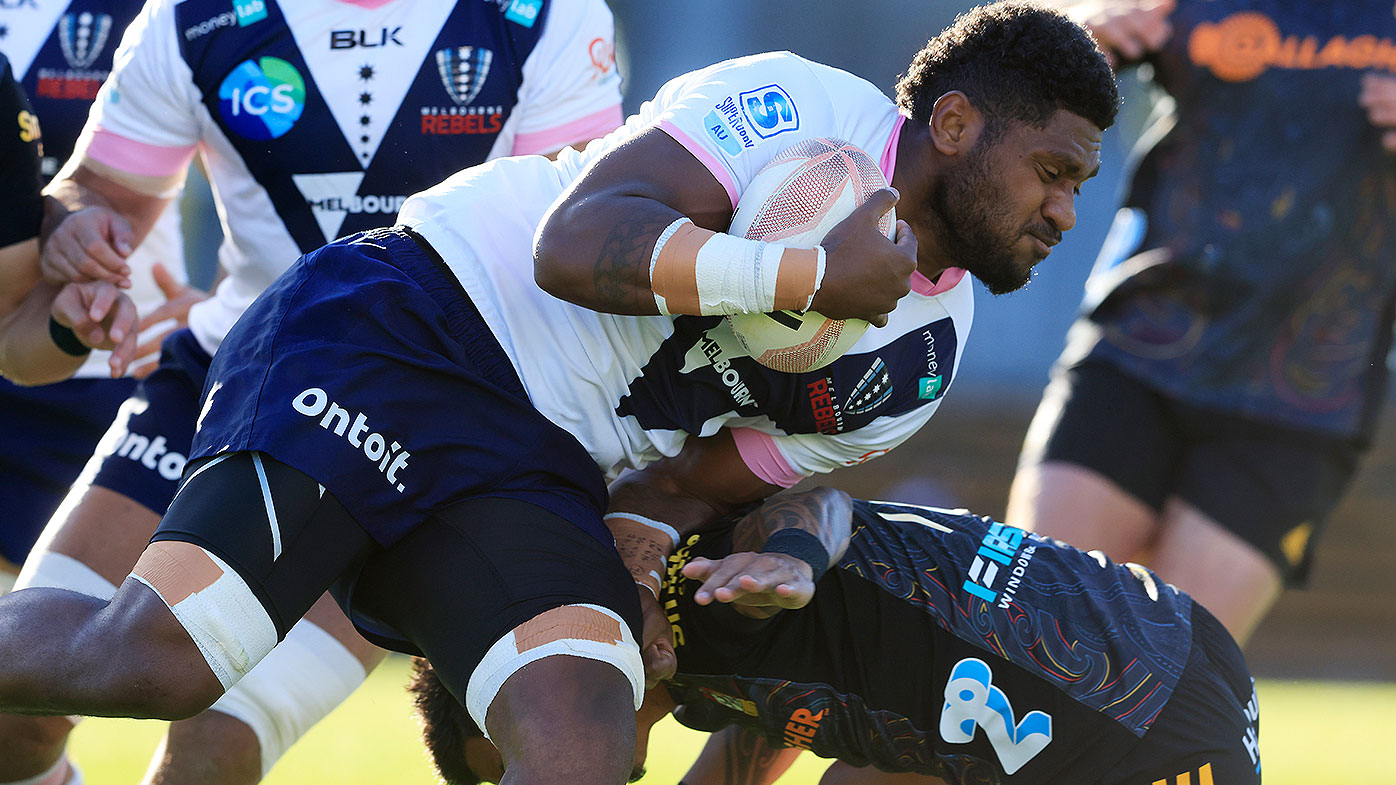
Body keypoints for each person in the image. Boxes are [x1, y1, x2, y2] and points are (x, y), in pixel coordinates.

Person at [0, 4, 1118, 785]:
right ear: (958, 125)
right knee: (157, 667)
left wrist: (645, 543)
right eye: (1054, 172)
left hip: (537, 455)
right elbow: (573, 241)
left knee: (584, 726)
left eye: (1079, 184)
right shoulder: (802, 105)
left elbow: (691, 477)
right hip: (411, 326)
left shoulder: (922, 358)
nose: (1065, 211)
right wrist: (802, 275)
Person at [2, 0, 625, 784]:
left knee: (209, 752)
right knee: (14, 719)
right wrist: (84, 236)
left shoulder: (542, 16)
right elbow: (97, 194)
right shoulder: (191, 16)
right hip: (232, 368)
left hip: (430, 412)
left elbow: (572, 244)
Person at [408, 486, 1263, 785]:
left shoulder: (689, 596)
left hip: (1141, 710)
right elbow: (761, 730)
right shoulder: (694, 686)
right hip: (1134, 666)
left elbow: (822, 504)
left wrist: (790, 556)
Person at [1005, 0, 1396, 645]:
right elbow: (1017, 65)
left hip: (1303, 395)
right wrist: (1077, 32)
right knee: (1011, 639)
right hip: (1140, 348)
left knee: (1157, 682)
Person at [0, 0, 196, 599]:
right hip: (36, 330)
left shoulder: (179, 16)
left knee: (53, 645)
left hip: (97, 357)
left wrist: (238, 307)